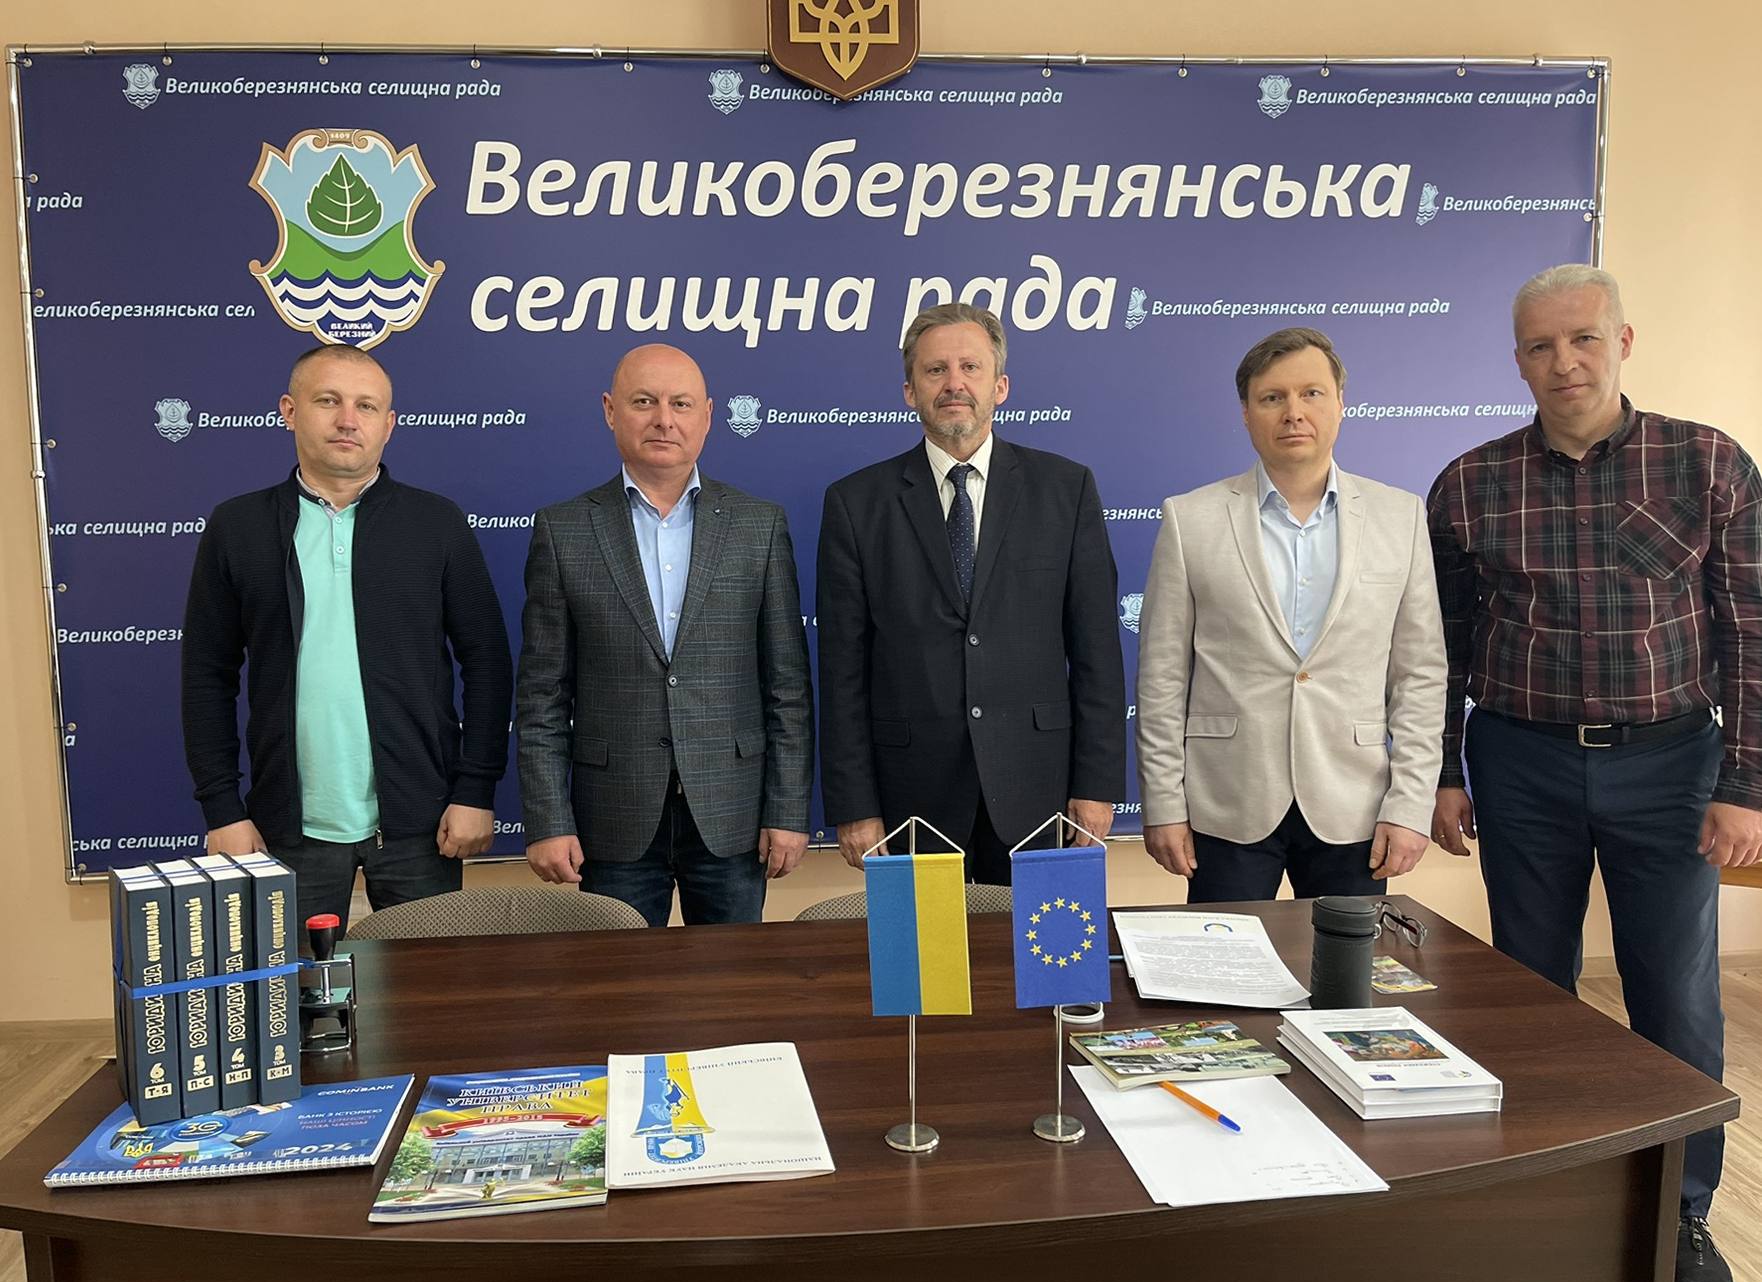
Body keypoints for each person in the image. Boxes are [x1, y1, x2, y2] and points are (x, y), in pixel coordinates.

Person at [1429, 263, 1759, 1282]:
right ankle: (1543, 1195)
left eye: (1581, 338)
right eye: (1540, 345)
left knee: (1675, 996)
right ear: (1516, 360)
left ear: (1622, 342)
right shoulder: (1470, 483)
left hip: (1671, 765)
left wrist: (1746, 784)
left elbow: (1752, 633)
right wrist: (1441, 773)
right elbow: (1441, 647)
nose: (1562, 361)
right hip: (1519, 761)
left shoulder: (1705, 461)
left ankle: (1681, 1213)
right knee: (1530, 990)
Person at [182, 344, 513, 946]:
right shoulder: (238, 527)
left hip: (421, 826)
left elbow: (487, 663)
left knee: (428, 991)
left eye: (366, 406)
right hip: (285, 830)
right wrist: (223, 807)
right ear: (289, 411)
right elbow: (207, 675)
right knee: (293, 995)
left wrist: (475, 790)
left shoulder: (436, 523)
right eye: (328, 401)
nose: (347, 420)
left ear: (389, 424)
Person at [817, 301, 1126, 881]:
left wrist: (1097, 785)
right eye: (935, 370)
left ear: (1000, 386)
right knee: (923, 945)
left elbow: (1097, 655)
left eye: (970, 367)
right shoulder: (856, 503)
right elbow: (843, 672)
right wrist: (855, 805)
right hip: (911, 800)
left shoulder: (1066, 489)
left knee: (1038, 943)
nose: (953, 383)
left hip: (1044, 795)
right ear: (910, 391)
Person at [1136, 328, 1447, 901]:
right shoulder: (1190, 519)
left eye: (1311, 393)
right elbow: (1162, 677)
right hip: (1226, 802)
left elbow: (1420, 676)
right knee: (1222, 959)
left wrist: (1410, 804)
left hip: (1355, 806)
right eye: (1272, 397)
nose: (1293, 412)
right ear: (1246, 413)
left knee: (1347, 961)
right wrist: (1163, 803)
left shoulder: (1399, 517)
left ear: (1341, 404)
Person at [517, 344, 812, 925]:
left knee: (731, 980)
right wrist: (549, 819)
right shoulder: (563, 529)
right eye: (644, 402)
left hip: (733, 817)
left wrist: (788, 809)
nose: (663, 419)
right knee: (622, 982)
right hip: (613, 820)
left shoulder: (759, 525)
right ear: (610, 410)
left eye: (680, 404)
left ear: (708, 415)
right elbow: (541, 695)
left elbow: (787, 687)